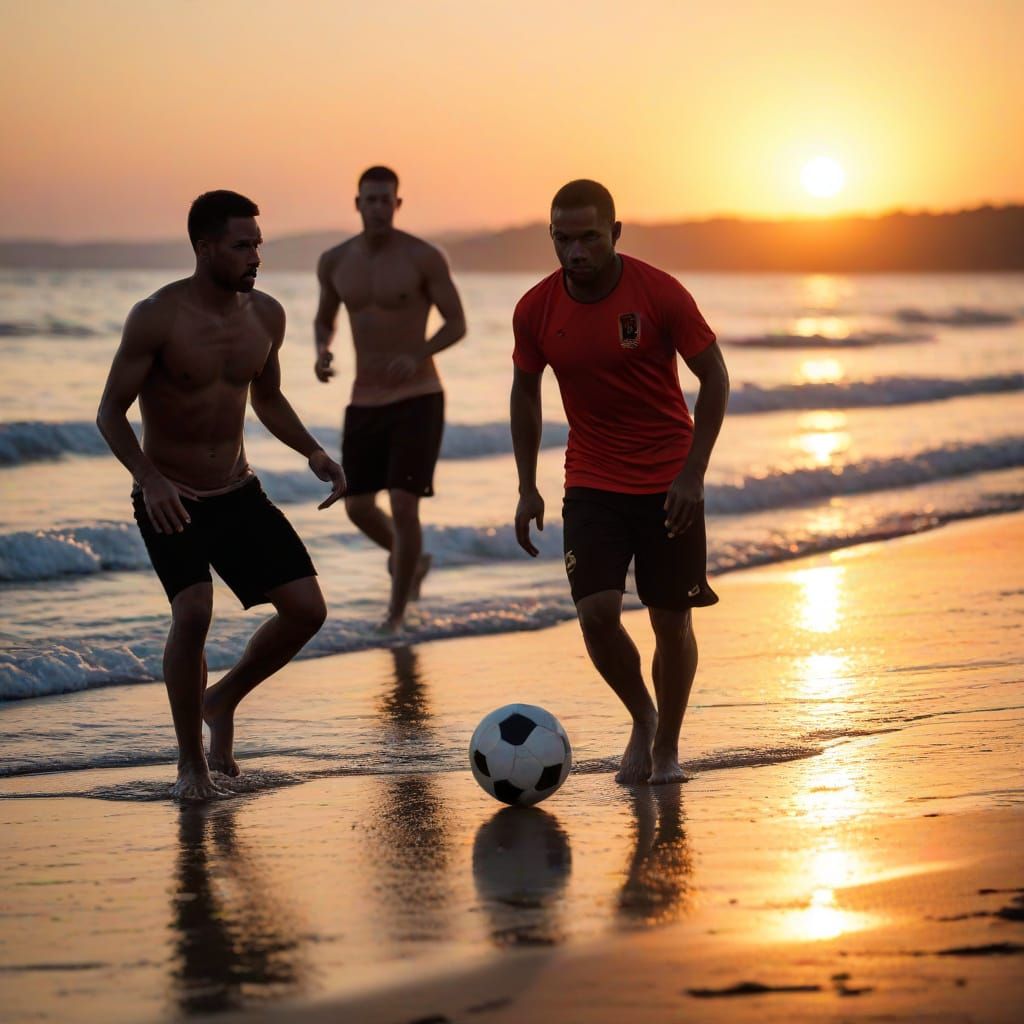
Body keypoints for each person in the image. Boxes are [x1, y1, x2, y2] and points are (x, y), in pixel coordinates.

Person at [96, 190, 346, 801]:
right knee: (194, 613)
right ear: (204, 247)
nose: (255, 255)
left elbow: (267, 397)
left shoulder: (267, 316)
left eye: (258, 243)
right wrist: (148, 479)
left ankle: (222, 699)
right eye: (242, 245)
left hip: (237, 490)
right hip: (171, 495)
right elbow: (110, 413)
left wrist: (312, 450)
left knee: (307, 611)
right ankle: (191, 765)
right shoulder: (156, 316)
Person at [511, 179, 729, 785]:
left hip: (669, 481)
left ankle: (668, 749)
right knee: (597, 613)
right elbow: (525, 392)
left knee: (670, 621)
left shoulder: (659, 293)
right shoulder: (535, 309)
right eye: (562, 238)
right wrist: (527, 484)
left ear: (615, 233)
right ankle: (643, 716)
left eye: (587, 237)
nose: (574, 250)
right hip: (591, 478)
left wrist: (694, 473)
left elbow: (715, 378)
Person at [313, 166, 466, 632]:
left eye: (387, 200)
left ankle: (396, 615)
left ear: (398, 205)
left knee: (403, 503)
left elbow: (456, 323)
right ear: (356, 203)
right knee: (357, 506)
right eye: (370, 199)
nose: (378, 207)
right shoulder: (335, 261)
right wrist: (322, 350)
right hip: (364, 398)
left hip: (418, 395)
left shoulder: (423, 257)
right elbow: (325, 318)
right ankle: (411, 561)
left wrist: (418, 353)